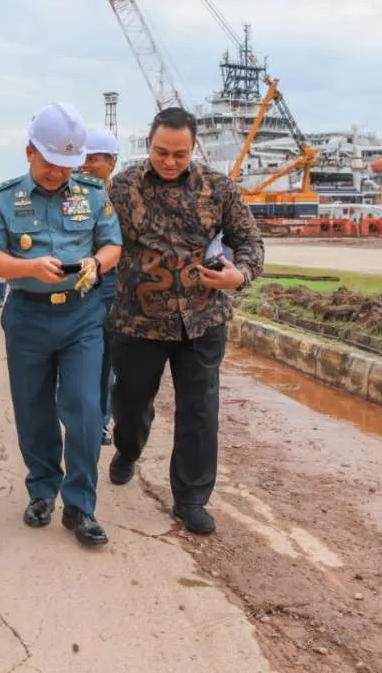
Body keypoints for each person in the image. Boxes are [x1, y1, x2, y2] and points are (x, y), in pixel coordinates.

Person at [106, 107, 264, 535]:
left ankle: (191, 498)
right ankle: (128, 448)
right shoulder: (123, 188)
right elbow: (101, 240)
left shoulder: (218, 189)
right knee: (132, 400)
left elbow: (248, 240)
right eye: (161, 152)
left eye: (179, 153)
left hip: (202, 319)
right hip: (138, 321)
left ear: (193, 148)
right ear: (149, 144)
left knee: (200, 408)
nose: (170, 162)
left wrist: (240, 274)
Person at [0, 102, 122, 547]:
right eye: (50, 163)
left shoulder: (93, 194)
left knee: (84, 409)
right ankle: (42, 488)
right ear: (29, 153)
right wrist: (28, 268)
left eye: (66, 165)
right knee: (33, 408)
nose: (59, 173)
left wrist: (96, 263)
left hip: (81, 316)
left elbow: (112, 244)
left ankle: (81, 506)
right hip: (28, 316)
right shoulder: (3, 199)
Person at [80, 128, 120, 445]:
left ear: (112, 162)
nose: (86, 164)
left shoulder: (125, 199)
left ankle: (102, 420)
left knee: (106, 357)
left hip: (112, 286)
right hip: (77, 284)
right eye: (83, 157)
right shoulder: (74, 194)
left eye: (94, 158)